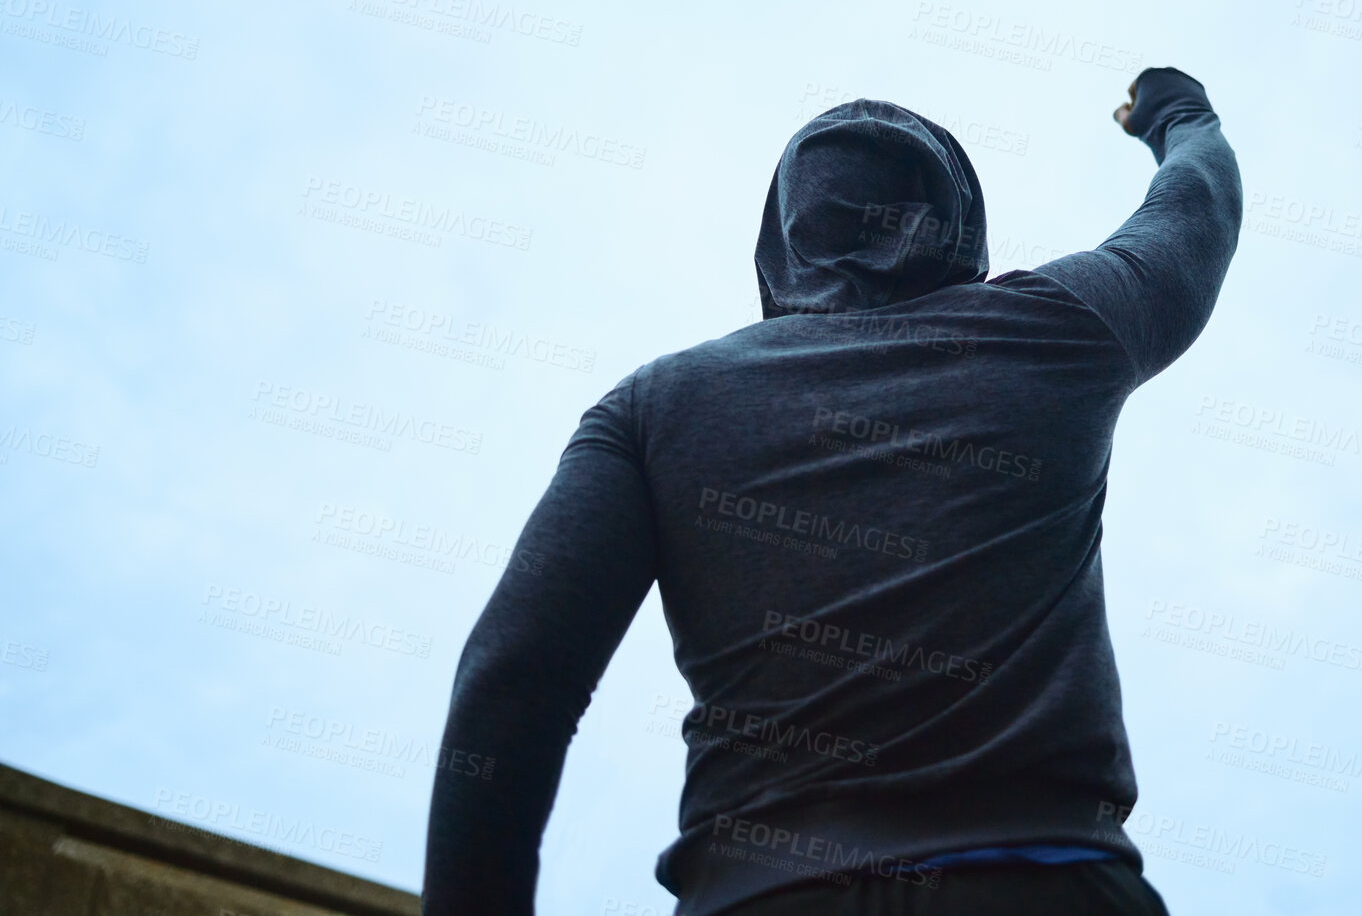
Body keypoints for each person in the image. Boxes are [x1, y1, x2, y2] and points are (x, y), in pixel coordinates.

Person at [421, 66, 1244, 915]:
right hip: (1047, 887)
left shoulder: (654, 406)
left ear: (784, 237)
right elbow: (1193, 210)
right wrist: (1175, 112)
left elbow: (513, 680)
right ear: (958, 221)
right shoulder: (1059, 328)